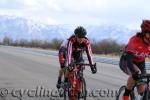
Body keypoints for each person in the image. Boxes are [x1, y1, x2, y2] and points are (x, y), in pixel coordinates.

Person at [119, 20, 150, 100]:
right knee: (136, 73)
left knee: (142, 89)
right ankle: (125, 96)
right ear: (144, 33)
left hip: (140, 63)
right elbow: (129, 61)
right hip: (127, 61)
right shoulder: (135, 40)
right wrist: (135, 73)